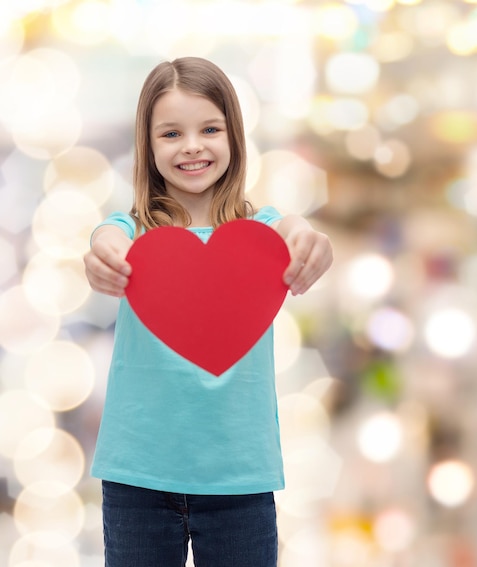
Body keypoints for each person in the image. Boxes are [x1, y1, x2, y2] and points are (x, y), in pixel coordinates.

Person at [83, 56, 333, 567]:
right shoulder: (131, 230)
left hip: (239, 479)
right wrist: (102, 256)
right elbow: (105, 242)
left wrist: (309, 239)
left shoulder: (264, 232)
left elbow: (296, 233)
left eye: (210, 129)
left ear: (234, 138)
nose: (192, 145)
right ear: (148, 147)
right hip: (138, 477)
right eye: (171, 133)